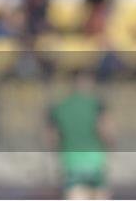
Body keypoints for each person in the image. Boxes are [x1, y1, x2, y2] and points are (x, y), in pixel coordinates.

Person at [48, 71, 112, 199]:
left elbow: (51, 138)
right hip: (95, 161)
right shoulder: (96, 105)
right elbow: (106, 132)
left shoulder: (60, 106)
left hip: (71, 161)